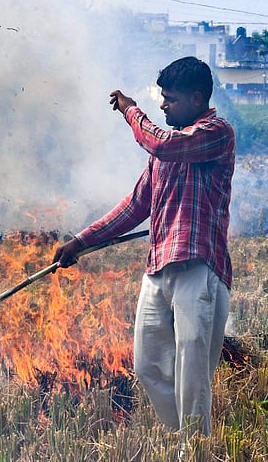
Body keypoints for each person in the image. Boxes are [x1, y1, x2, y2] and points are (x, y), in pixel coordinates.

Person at [53, 56, 235, 435]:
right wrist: (80, 242)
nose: (164, 105)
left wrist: (130, 110)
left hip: (198, 268)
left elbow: (162, 142)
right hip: (158, 268)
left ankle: (194, 451)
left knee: (191, 370)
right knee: (148, 365)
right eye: (161, 98)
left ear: (198, 99)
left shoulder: (215, 132)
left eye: (170, 99)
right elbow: (135, 207)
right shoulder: (163, 153)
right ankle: (183, 437)